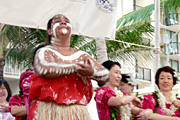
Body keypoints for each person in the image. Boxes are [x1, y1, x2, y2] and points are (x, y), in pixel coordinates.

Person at [28, 14, 109, 120]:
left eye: (66, 21)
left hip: (76, 111)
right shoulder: (44, 51)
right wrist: (76, 67)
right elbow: (44, 69)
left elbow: (106, 75)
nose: (63, 22)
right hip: (48, 110)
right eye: (58, 21)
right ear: (49, 31)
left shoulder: (81, 55)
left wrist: (91, 72)